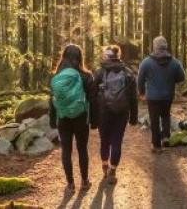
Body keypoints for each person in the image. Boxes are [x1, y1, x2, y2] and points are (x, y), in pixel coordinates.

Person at [49, 44, 95, 191]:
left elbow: (51, 100)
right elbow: (93, 99)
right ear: (80, 58)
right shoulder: (86, 76)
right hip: (81, 118)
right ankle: (84, 181)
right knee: (82, 149)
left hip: (63, 118)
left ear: (63, 57)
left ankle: (70, 184)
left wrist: (52, 121)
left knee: (66, 150)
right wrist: (94, 121)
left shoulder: (56, 77)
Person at [92, 45, 137, 184]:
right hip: (122, 112)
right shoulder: (128, 73)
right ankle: (113, 170)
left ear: (106, 55)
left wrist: (93, 118)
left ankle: (105, 165)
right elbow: (133, 97)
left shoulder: (99, 73)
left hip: (103, 112)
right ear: (119, 56)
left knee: (104, 140)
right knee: (117, 141)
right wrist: (134, 117)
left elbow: (92, 96)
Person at [137, 36, 186, 152]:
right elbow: (182, 77)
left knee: (154, 120)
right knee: (166, 116)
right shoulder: (174, 62)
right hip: (168, 96)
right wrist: (171, 79)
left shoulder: (146, 62)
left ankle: (156, 145)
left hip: (153, 97)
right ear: (165, 46)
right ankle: (165, 137)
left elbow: (140, 79)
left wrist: (142, 92)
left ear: (155, 46)